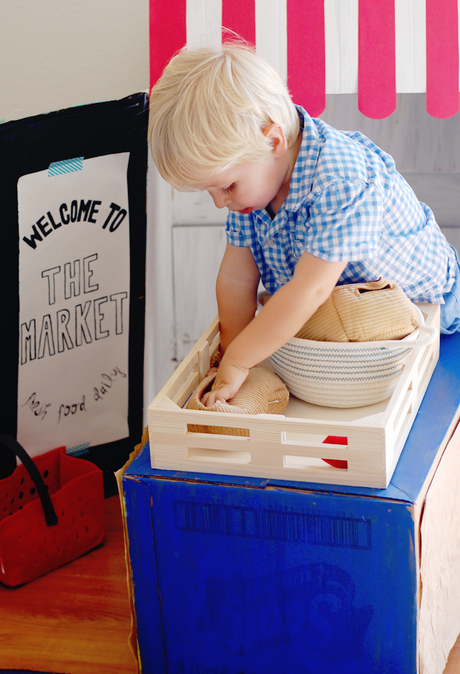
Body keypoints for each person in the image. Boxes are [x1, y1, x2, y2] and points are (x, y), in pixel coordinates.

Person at [148, 42, 460, 406]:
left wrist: (240, 359)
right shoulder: (254, 188)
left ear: (273, 141)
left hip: (425, 309)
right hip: (340, 314)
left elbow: (309, 290)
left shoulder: (340, 180)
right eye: (210, 192)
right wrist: (232, 349)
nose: (221, 202)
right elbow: (236, 277)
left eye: (227, 186)